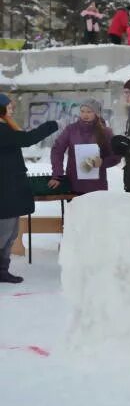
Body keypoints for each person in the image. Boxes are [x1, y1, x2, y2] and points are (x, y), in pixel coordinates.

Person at [0, 93, 59, 284]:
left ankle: (2, 271)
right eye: (9, 106)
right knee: (4, 234)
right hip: (4, 190)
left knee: (10, 233)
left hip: (10, 188)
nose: (12, 109)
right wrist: (50, 126)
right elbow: (26, 139)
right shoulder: (2, 130)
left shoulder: (5, 127)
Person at [49, 99, 121, 195]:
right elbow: (57, 150)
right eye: (82, 111)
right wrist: (57, 175)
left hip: (97, 186)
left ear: (97, 113)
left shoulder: (106, 132)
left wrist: (102, 162)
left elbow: (115, 156)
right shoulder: (71, 130)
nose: (85, 115)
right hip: (74, 185)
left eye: (89, 112)